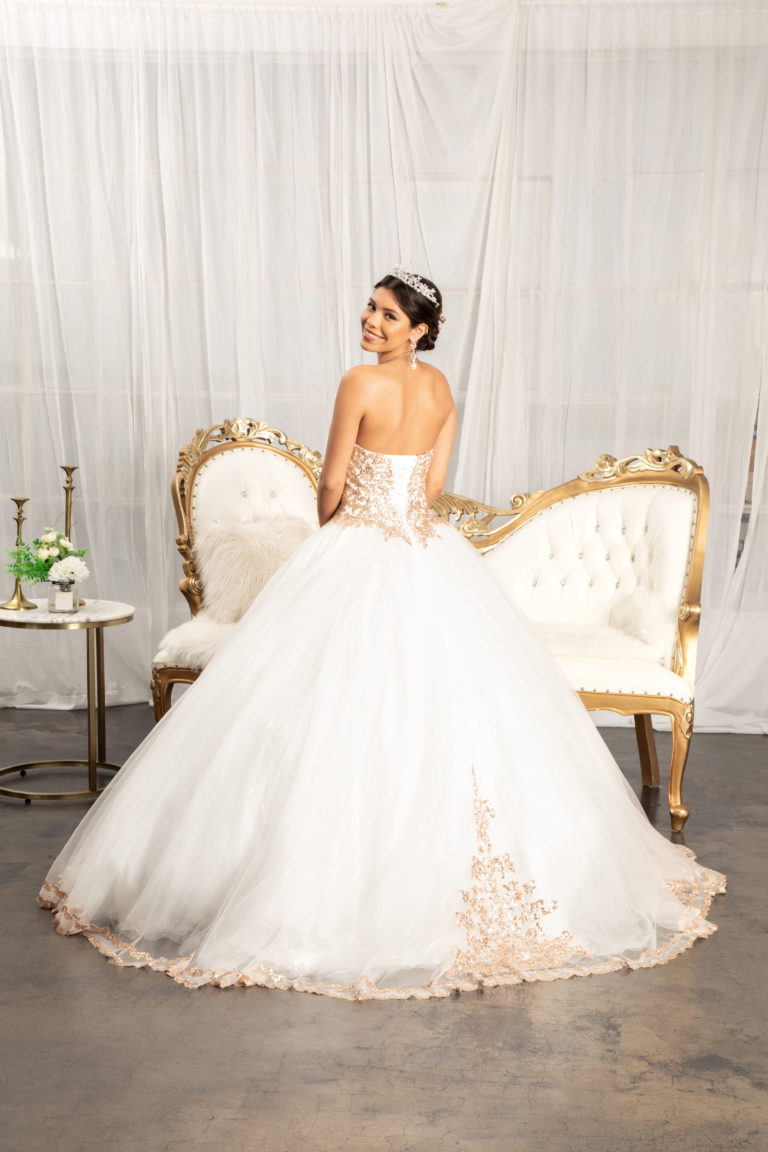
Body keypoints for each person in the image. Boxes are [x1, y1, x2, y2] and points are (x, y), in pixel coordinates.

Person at [39, 267, 725, 1000]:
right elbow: (430, 489)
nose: (371, 321)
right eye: (371, 308)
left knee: (316, 705)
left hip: (358, 542)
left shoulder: (358, 383)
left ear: (419, 330)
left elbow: (331, 484)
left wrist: (340, 534)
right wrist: (394, 520)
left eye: (389, 315)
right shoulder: (441, 390)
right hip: (428, 552)